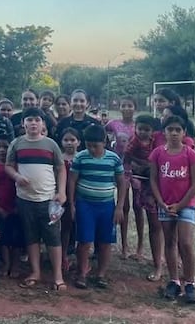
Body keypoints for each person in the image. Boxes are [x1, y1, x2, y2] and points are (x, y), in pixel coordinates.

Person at [5, 107, 67, 291]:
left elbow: (61, 168)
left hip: (49, 200)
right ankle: (35, 272)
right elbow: (9, 166)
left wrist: (61, 192)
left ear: (43, 124)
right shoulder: (16, 144)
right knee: (31, 237)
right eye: (29, 120)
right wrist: (17, 177)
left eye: (37, 120)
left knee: (53, 238)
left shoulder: (51, 144)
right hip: (25, 199)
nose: (33, 123)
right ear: (23, 123)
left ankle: (58, 276)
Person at [149, 115, 195, 304]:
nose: (173, 133)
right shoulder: (157, 153)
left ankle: (189, 283)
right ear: (164, 132)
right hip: (165, 204)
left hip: (186, 205)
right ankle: (174, 281)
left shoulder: (190, 154)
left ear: (184, 133)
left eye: (178, 130)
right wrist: (161, 202)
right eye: (170, 129)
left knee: (185, 243)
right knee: (169, 242)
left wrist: (180, 205)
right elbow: (153, 180)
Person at [68, 125, 126, 290]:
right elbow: (72, 180)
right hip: (85, 204)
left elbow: (121, 182)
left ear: (104, 142)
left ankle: (101, 274)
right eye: (89, 146)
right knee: (85, 241)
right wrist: (72, 204)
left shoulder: (113, 159)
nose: (92, 149)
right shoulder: (80, 158)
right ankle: (82, 272)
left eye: (96, 146)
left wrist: (119, 206)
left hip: (107, 205)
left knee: (105, 241)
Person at [124, 115, 162, 281]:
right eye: (140, 129)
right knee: (137, 207)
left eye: (147, 130)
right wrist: (135, 168)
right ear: (135, 128)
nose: (143, 132)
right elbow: (127, 156)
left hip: (153, 180)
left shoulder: (155, 142)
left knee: (155, 222)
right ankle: (141, 249)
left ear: (153, 131)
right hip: (138, 177)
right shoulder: (134, 141)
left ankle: (158, 260)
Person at [105, 96, 139, 259]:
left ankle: (139, 248)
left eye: (129, 105)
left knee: (139, 207)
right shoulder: (113, 124)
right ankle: (124, 245)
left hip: (138, 169)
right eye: (123, 105)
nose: (126, 108)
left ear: (135, 108)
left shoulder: (139, 125)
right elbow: (103, 136)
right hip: (120, 169)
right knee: (123, 206)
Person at [0, 136, 23, 279]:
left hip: (16, 207)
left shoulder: (18, 166)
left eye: (5, 147)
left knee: (17, 238)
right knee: (2, 238)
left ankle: (15, 264)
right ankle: (6, 263)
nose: (2, 150)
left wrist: (17, 205)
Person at [59, 128, 80, 272]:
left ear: (78, 142)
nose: (69, 143)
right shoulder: (58, 158)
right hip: (62, 197)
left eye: (72, 140)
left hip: (81, 196)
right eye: (66, 140)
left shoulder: (82, 158)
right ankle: (63, 256)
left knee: (80, 227)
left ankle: (80, 257)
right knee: (65, 227)